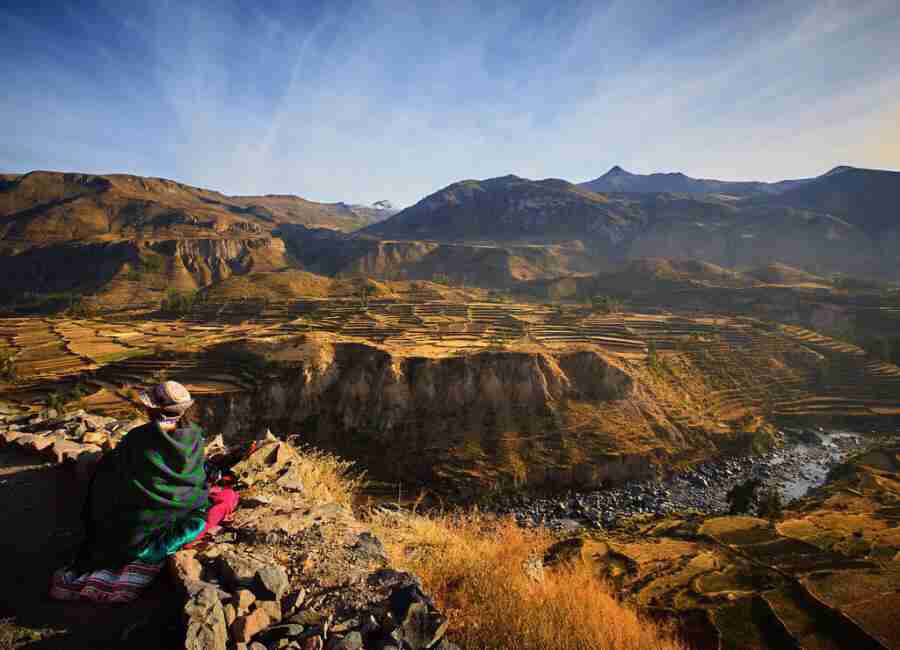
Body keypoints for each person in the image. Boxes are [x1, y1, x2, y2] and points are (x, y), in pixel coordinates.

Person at [50, 381, 238, 603]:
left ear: (152, 408)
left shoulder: (139, 437)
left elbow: (111, 473)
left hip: (138, 519)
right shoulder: (194, 435)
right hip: (182, 506)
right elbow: (195, 476)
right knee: (227, 496)